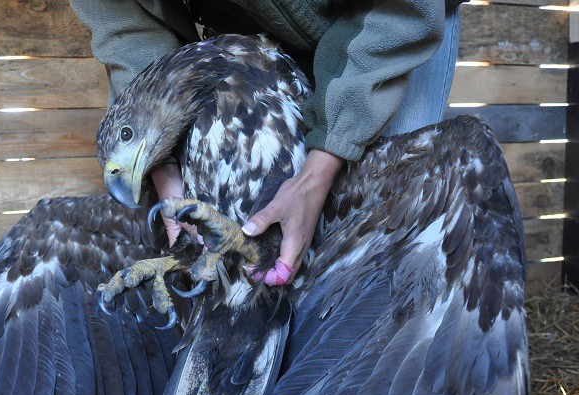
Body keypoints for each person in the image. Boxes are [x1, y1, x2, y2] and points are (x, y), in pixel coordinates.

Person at [71, 0, 461, 287]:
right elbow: (127, 28)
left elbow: (405, 11)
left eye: (126, 141)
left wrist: (319, 171)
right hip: (245, 33)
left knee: (389, 232)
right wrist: (167, 172)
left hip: (392, 24)